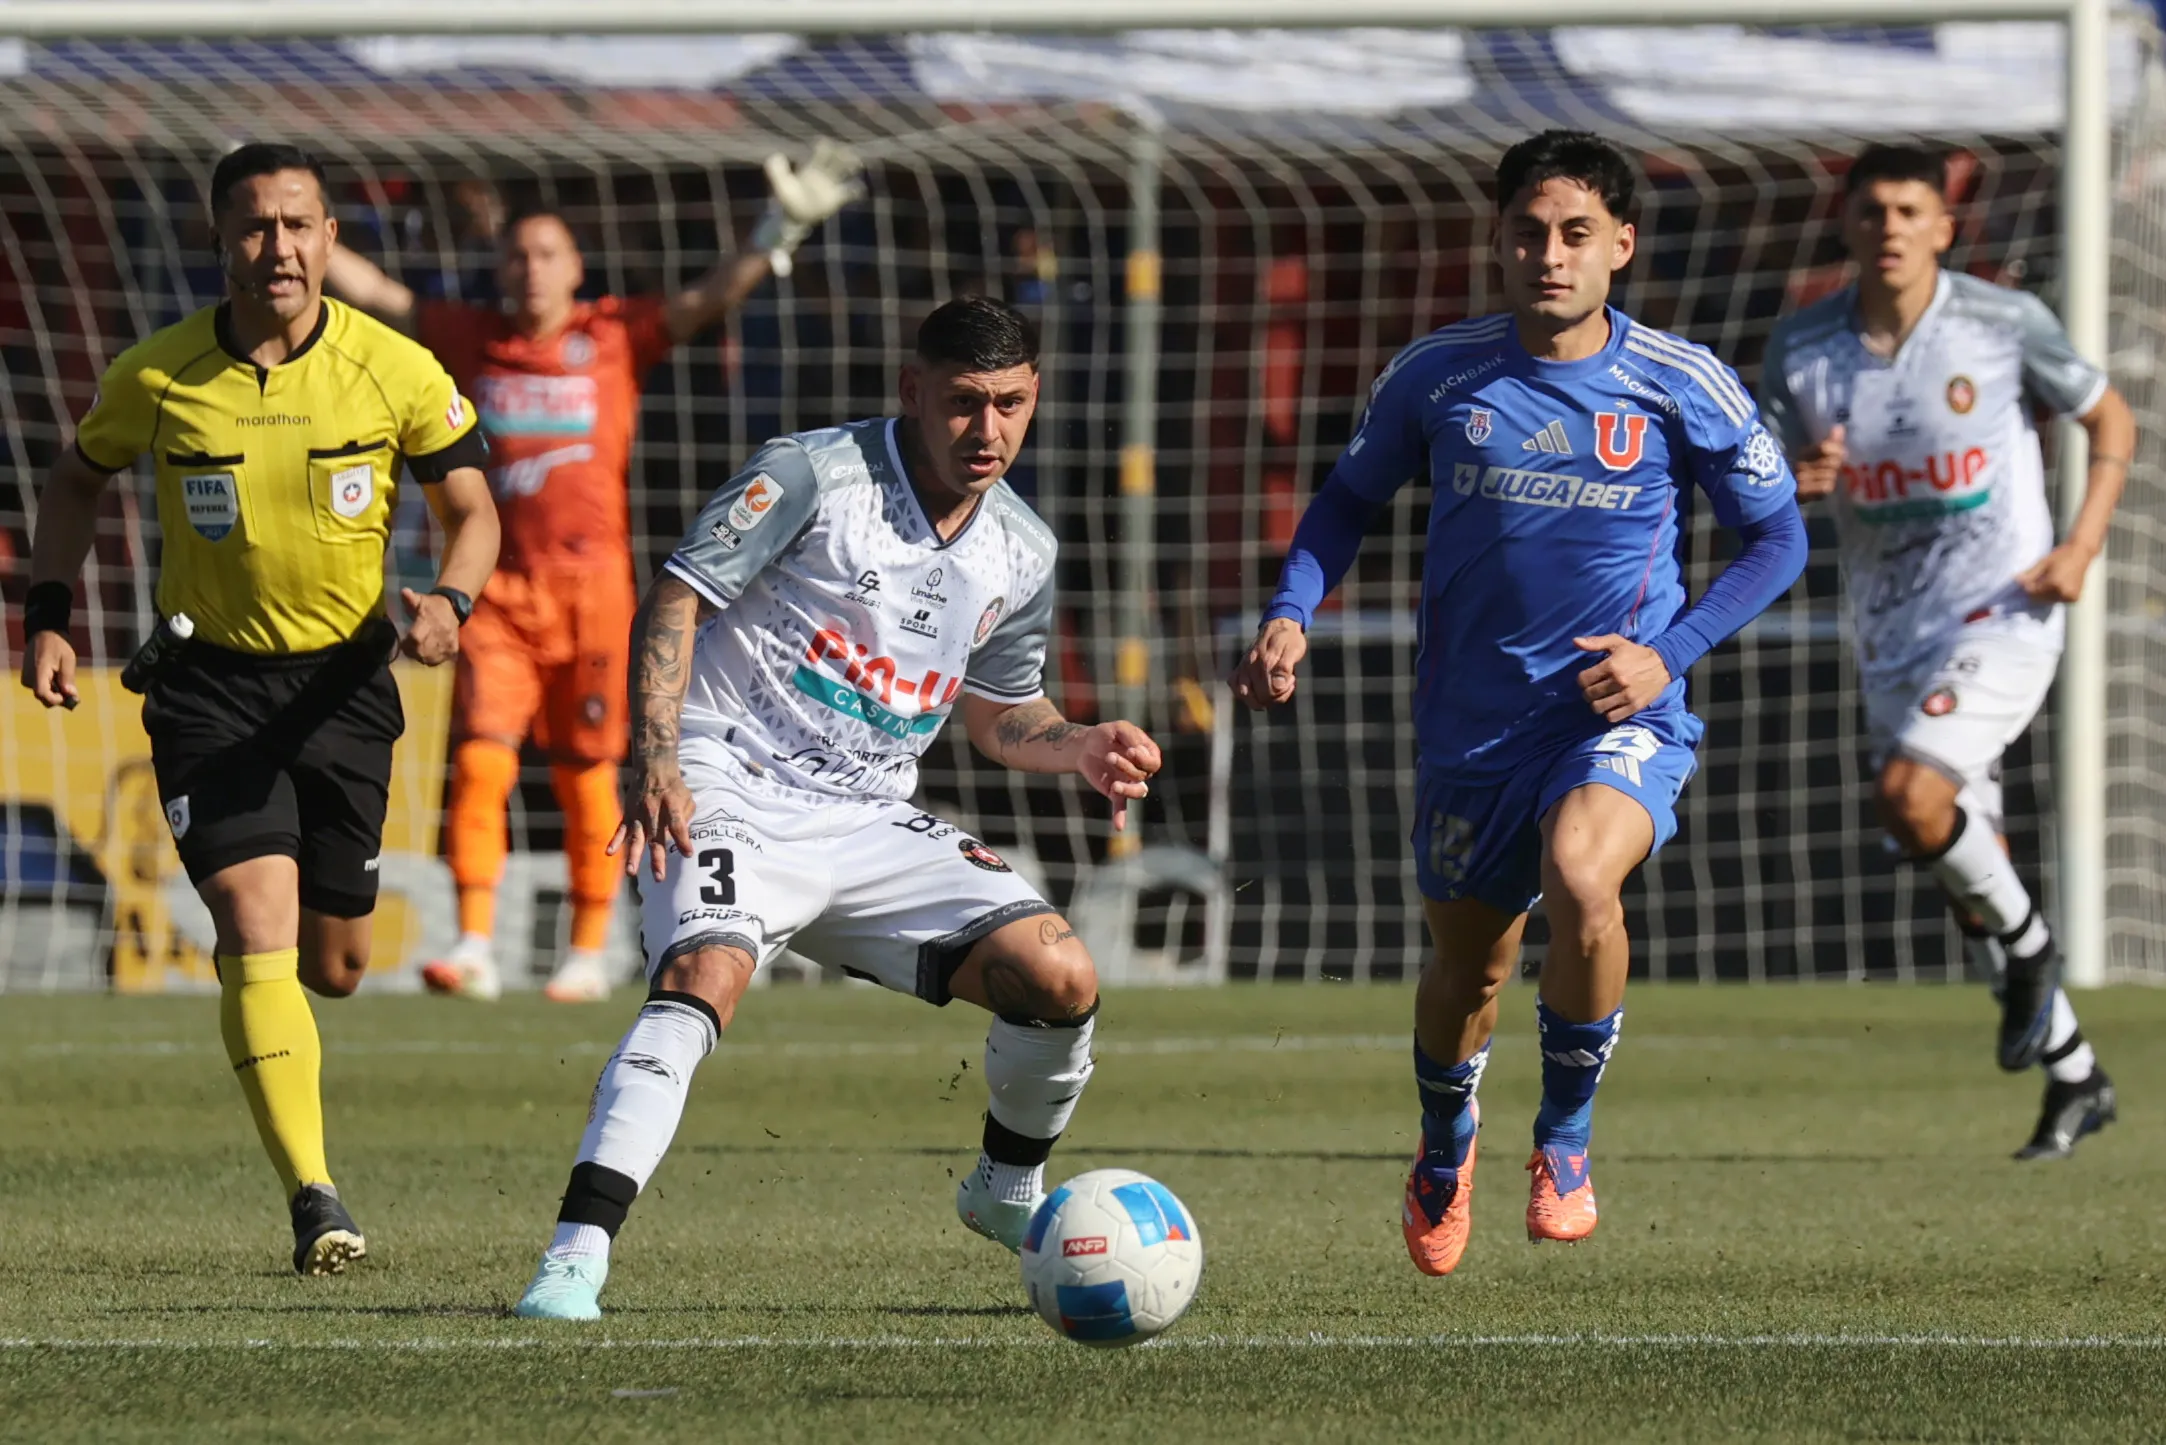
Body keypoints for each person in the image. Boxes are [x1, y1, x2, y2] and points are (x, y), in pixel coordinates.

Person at [508, 296, 1162, 1320]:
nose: (985, 431)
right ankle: (572, 1260)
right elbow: (679, 594)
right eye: (960, 403)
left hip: (864, 817)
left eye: (1008, 405)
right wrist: (657, 757)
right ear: (912, 390)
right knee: (701, 976)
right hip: (726, 781)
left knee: (1062, 974)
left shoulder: (1022, 550)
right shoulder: (814, 475)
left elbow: (998, 711)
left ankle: (1004, 1188)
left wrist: (1076, 742)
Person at [1231, 130, 1807, 1275]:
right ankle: (1447, 1145)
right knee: (1472, 970)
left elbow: (1777, 538)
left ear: (1622, 247)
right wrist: (1293, 607)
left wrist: (1668, 653)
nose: (1551, 253)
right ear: (1496, 240)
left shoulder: (1678, 381)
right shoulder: (1439, 374)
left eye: (1577, 234)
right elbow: (1343, 504)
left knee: (1585, 875)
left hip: (1615, 713)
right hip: (1468, 728)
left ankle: (1567, 1138)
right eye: (1530, 231)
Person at [20, 142, 499, 1273]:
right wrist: (48, 609)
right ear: (218, 238)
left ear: (333, 238)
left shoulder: (395, 368)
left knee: (336, 963)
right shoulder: (160, 374)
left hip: (345, 687)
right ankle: (315, 1197)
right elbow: (76, 477)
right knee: (255, 929)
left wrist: (454, 605)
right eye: (253, 227)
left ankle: (312, 1147)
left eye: (297, 225)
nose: (276, 248)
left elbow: (474, 507)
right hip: (208, 690)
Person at [326, 141, 863, 1003]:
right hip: (497, 588)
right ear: (499, 268)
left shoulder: (610, 334)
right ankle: (471, 945)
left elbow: (704, 301)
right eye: (516, 255)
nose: (529, 269)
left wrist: (775, 230)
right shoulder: (471, 336)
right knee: (481, 761)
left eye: (545, 255)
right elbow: (378, 295)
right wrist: (308, 235)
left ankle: (587, 948)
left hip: (594, 589)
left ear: (575, 268)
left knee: (587, 770)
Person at [1760, 144, 2133, 1159]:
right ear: (1846, 222)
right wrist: (1797, 475)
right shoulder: (1800, 348)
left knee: (1911, 798)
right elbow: (1760, 482)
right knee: (1971, 869)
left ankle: (2035, 950)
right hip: (1888, 628)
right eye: (1872, 208)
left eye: (1909, 210)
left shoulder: (2000, 322)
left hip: (2005, 606)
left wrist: (2081, 545)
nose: (1890, 226)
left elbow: (2111, 419)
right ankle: (2077, 1076)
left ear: (1942, 226)